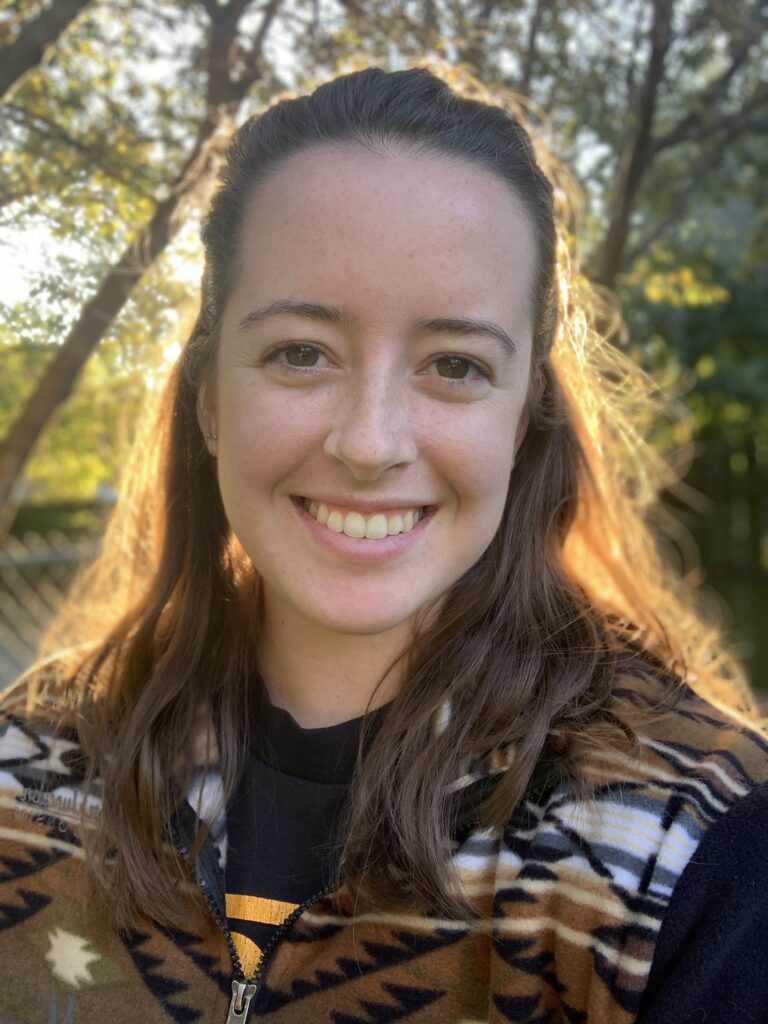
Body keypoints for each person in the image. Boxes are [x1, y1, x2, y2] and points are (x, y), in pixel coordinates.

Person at [1, 65, 767, 1024]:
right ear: (208, 398)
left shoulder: (689, 855)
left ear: (526, 419)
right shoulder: (24, 775)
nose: (368, 443)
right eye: (300, 352)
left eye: (454, 365)